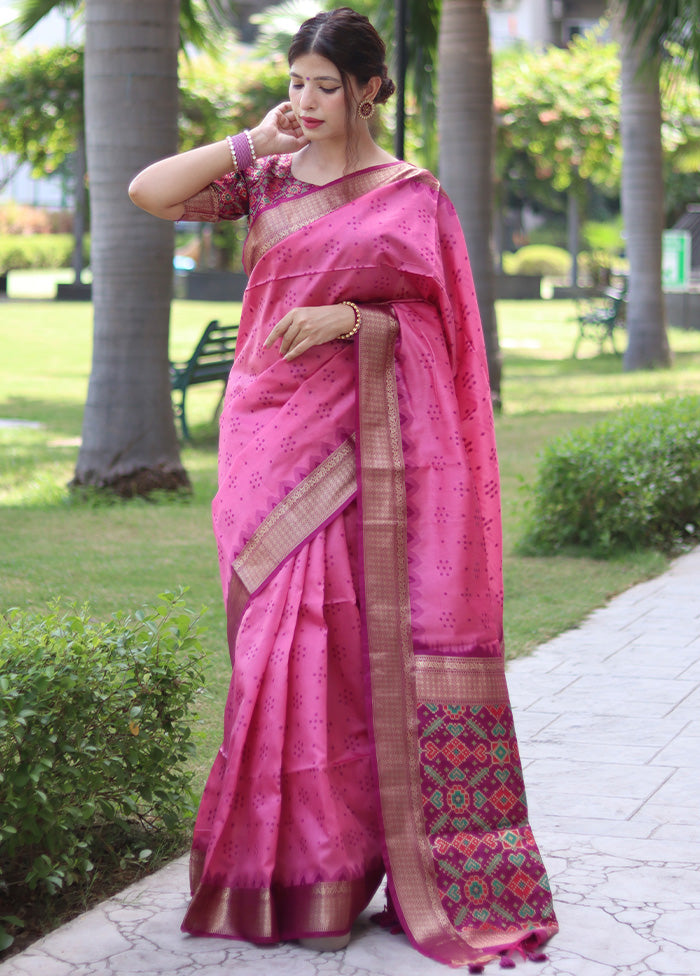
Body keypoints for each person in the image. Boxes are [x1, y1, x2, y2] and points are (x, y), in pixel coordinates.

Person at [129, 7, 558, 970]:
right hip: (266, 439)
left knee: (328, 654)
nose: (307, 102)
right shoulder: (265, 175)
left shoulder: (411, 197)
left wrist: (354, 323)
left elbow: (443, 340)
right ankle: (272, 872)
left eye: (326, 86)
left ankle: (332, 869)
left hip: (360, 452)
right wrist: (250, 136)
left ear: (369, 89)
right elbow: (148, 192)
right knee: (266, 654)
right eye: (294, 84)